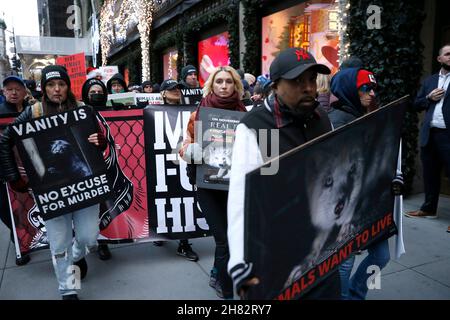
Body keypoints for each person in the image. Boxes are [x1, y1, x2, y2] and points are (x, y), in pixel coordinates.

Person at [227, 48, 341, 300]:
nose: (308, 88)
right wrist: (239, 261)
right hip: (276, 259)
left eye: (312, 79)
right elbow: (242, 200)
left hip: (323, 255)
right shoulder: (259, 127)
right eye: (297, 81)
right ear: (276, 86)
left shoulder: (322, 119)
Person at [0, 65, 106, 300]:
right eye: (50, 85)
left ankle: (78, 256)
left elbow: (99, 141)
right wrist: (14, 177)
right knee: (60, 243)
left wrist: (101, 141)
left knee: (89, 237)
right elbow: (6, 139)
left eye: (61, 84)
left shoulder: (82, 109)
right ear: (43, 88)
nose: (56, 89)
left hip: (83, 186)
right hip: (51, 189)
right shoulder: (33, 112)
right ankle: (69, 288)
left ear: (68, 86)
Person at [329, 67, 403, 299]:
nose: (371, 93)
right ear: (349, 88)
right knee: (344, 262)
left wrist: (393, 172)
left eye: (373, 88)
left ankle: (354, 294)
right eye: (364, 88)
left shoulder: (369, 115)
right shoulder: (336, 121)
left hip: (371, 203)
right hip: (349, 209)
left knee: (381, 256)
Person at [180, 66, 247, 299]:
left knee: (234, 238)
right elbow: (182, 146)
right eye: (219, 81)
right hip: (209, 186)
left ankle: (217, 273)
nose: (224, 86)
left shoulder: (246, 114)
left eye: (229, 82)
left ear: (235, 86)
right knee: (223, 239)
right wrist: (192, 151)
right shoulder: (198, 114)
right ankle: (227, 291)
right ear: (212, 85)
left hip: (236, 186)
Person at [152, 79, 199, 262]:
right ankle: (161, 232)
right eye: (171, 88)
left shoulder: (191, 110)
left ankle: (184, 243)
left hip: (184, 158)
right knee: (164, 197)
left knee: (183, 197)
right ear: (163, 93)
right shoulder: (153, 111)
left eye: (178, 88)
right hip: (162, 159)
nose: (176, 91)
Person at [405, 44, 450, 226]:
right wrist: (429, 98)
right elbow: (416, 104)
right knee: (430, 174)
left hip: (448, 135)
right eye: (447, 54)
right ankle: (428, 209)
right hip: (430, 134)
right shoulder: (429, 81)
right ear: (439, 58)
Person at [0, 75, 31, 266]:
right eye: (9, 89)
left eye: (17, 89)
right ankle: (18, 241)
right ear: (3, 92)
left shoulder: (32, 111)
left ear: (24, 92)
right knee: (6, 210)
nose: (13, 92)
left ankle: (26, 239)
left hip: (28, 169)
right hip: (4, 171)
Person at [81, 78, 112, 261]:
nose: (96, 94)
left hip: (109, 165)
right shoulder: (79, 113)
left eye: (100, 91)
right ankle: (94, 243)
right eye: (92, 91)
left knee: (105, 205)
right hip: (88, 166)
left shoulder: (112, 111)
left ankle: (104, 241)